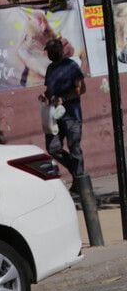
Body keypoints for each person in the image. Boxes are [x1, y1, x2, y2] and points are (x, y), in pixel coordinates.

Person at [40, 38, 85, 185]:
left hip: (71, 115)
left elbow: (81, 89)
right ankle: (77, 172)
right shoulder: (50, 69)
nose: (50, 54)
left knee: (74, 148)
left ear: (60, 51)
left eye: (53, 51)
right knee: (53, 148)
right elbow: (49, 90)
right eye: (49, 52)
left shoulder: (71, 66)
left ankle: (80, 183)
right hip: (55, 118)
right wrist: (44, 97)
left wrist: (63, 99)